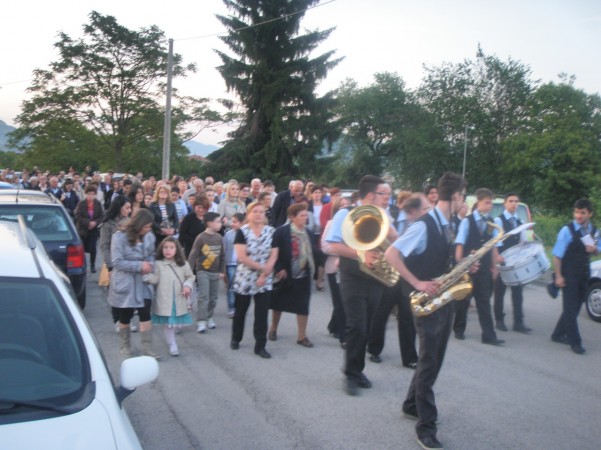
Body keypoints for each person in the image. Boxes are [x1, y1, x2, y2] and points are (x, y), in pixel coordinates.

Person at [384, 171, 467, 450]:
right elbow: (391, 254)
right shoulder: (424, 225)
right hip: (426, 303)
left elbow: (441, 258)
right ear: (455, 196)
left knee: (432, 360)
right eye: (463, 196)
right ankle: (426, 427)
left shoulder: (449, 223)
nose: (463, 200)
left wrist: (465, 267)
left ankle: (411, 404)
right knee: (430, 362)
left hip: (444, 301)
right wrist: (417, 281)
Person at [324, 175, 397, 396]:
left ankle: (357, 369)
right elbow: (332, 245)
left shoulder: (384, 216)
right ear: (371, 195)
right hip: (352, 276)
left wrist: (394, 236)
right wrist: (360, 253)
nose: (388, 199)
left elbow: (394, 243)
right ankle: (351, 374)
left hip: (375, 278)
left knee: (369, 325)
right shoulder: (344, 215)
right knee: (357, 326)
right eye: (385, 194)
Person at [367, 193, 430, 368]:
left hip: (407, 274)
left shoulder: (422, 225)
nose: (428, 212)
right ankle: (374, 349)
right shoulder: (390, 217)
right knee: (381, 313)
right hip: (389, 274)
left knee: (407, 317)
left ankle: (409, 357)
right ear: (412, 212)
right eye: (425, 209)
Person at [455, 188, 504, 346]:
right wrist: (460, 261)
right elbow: (460, 243)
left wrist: (495, 266)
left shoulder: (492, 222)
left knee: (484, 301)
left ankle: (489, 335)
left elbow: (493, 245)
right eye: (487, 203)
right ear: (478, 202)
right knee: (464, 299)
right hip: (469, 266)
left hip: (483, 268)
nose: (489, 206)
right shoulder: (467, 221)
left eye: (491, 203)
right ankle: (458, 329)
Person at [551, 198, 600, 355]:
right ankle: (575, 342)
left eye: (582, 213)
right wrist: (558, 275)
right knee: (571, 310)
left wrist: (594, 250)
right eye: (577, 212)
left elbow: (599, 250)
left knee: (576, 306)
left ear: (589, 214)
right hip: (569, 274)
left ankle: (557, 334)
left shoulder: (595, 231)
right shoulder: (567, 230)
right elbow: (557, 255)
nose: (578, 215)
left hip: (584, 274)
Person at [107, 209, 158, 358]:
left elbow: (152, 256)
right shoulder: (119, 237)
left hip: (143, 282)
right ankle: (125, 345)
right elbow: (116, 261)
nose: (148, 230)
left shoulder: (149, 237)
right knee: (126, 315)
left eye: (149, 227)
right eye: (146, 226)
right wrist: (139, 266)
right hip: (126, 283)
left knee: (145, 312)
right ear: (138, 224)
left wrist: (150, 265)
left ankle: (147, 348)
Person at [230, 202, 278, 359]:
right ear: (248, 214)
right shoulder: (242, 232)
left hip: (265, 279)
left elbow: (274, 254)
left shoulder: (272, 232)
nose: (258, 214)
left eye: (261, 212)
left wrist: (265, 273)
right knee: (241, 311)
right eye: (255, 211)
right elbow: (242, 256)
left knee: (262, 313)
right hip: (245, 277)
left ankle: (260, 345)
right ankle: (236, 338)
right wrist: (261, 269)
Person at [268, 203, 316, 347]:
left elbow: (314, 252)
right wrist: (278, 268)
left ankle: (302, 336)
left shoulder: (309, 233)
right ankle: (273, 329)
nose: (305, 218)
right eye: (302, 216)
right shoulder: (280, 232)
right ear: (292, 217)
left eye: (306, 215)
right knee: (278, 304)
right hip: (285, 274)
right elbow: (272, 253)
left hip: (303, 274)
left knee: (303, 306)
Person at [145, 237, 195, 356]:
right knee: (168, 324)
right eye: (165, 247)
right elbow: (155, 279)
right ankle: (172, 344)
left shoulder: (183, 264)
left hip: (179, 299)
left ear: (177, 250)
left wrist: (187, 285)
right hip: (164, 300)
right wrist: (146, 277)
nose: (168, 250)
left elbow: (190, 277)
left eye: (171, 248)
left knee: (176, 323)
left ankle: (173, 335)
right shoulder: (158, 264)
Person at [493, 193, 531, 333]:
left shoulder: (520, 222)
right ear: (505, 203)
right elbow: (495, 241)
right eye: (511, 201)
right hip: (502, 261)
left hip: (515, 262)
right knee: (499, 292)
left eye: (516, 201)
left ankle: (518, 322)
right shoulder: (499, 220)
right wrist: (496, 257)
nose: (513, 204)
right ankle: (499, 319)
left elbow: (523, 242)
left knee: (518, 292)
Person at [99, 195, 134, 331]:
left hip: (128, 263)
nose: (129, 210)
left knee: (129, 292)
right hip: (114, 263)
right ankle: (117, 320)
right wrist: (110, 266)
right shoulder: (108, 224)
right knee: (116, 292)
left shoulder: (130, 222)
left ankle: (126, 319)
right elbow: (104, 245)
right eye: (127, 208)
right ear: (119, 208)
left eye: (130, 207)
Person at [321, 196, 351, 348]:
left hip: (350, 267)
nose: (345, 209)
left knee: (344, 301)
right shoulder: (332, 224)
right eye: (341, 206)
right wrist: (342, 253)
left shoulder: (354, 224)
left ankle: (333, 325)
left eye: (347, 206)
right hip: (334, 268)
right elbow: (325, 246)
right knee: (340, 302)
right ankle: (344, 337)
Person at [188, 212, 226, 333]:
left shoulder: (219, 238)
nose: (220, 224)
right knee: (204, 296)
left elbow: (223, 256)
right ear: (209, 223)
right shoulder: (201, 237)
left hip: (215, 272)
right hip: (202, 271)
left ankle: (210, 317)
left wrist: (222, 271)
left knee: (213, 297)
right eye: (218, 221)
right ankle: (201, 321)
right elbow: (193, 255)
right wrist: (189, 272)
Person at [74, 185, 104, 273]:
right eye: (89, 194)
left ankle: (92, 264)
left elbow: (101, 216)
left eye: (93, 194)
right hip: (83, 229)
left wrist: (95, 223)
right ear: (86, 194)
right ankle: (82, 264)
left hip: (93, 230)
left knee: (93, 247)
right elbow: (78, 216)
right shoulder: (81, 203)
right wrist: (88, 222)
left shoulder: (98, 204)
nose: (91, 196)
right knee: (81, 248)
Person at [224, 212, 245, 318]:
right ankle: (231, 308)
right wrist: (223, 266)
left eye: (235, 222)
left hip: (242, 265)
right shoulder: (228, 234)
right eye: (232, 221)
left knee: (241, 287)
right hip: (231, 264)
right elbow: (225, 250)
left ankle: (240, 308)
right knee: (231, 287)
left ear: (242, 223)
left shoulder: (246, 234)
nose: (232, 224)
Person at [308, 185, 326, 291]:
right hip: (311, 234)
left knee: (322, 256)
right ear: (311, 194)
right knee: (312, 256)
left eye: (319, 192)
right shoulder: (308, 206)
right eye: (315, 192)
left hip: (322, 234)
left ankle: (319, 281)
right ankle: (310, 279)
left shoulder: (325, 206)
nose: (317, 194)